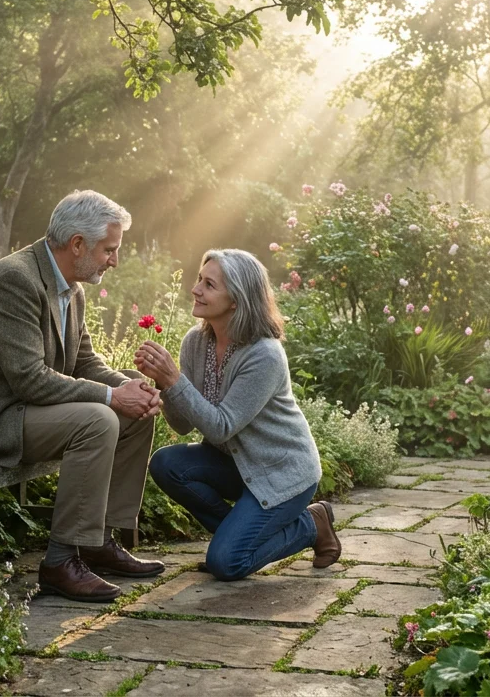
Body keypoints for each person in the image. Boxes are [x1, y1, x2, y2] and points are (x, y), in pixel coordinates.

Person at [0, 191, 164, 603]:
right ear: (77, 244)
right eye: (109, 250)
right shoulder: (15, 280)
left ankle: (98, 540)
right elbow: (30, 380)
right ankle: (60, 561)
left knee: (127, 403)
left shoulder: (71, 287)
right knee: (100, 419)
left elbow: (85, 363)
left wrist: (132, 390)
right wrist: (113, 396)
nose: (114, 260)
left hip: (22, 411)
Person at [134, 249, 341, 581]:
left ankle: (311, 524)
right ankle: (235, 538)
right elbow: (183, 425)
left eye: (209, 284)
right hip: (235, 466)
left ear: (235, 300)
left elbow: (221, 428)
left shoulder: (264, 355)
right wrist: (164, 383)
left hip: (281, 473)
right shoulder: (195, 342)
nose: (196, 289)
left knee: (226, 564)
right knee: (166, 464)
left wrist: (174, 380)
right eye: (199, 279)